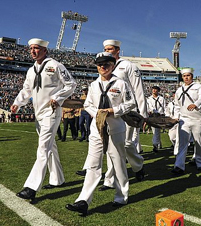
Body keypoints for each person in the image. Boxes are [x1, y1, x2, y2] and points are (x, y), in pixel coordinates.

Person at [66, 52, 136, 216]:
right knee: (93, 164)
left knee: (118, 163)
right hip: (96, 128)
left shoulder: (121, 83)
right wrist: (97, 113)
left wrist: (113, 110)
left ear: (113, 66)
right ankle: (83, 200)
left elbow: (131, 103)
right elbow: (88, 104)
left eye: (106, 64)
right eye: (100, 64)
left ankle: (121, 196)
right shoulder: (93, 85)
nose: (103, 67)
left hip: (115, 128)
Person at [11, 38, 76, 200]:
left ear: (45, 50)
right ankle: (57, 179)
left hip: (51, 112)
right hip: (38, 114)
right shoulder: (31, 70)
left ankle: (31, 187)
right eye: (31, 48)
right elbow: (27, 90)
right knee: (51, 147)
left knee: (43, 148)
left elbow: (71, 84)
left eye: (37, 48)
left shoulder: (55, 65)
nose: (33, 51)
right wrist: (17, 103)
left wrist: (58, 98)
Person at [98, 39, 147, 191]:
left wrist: (143, 115)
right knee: (110, 143)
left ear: (118, 50)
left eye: (110, 49)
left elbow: (138, 90)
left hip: (127, 111)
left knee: (125, 144)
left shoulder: (128, 66)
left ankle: (138, 166)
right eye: (105, 48)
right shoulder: (104, 66)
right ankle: (109, 180)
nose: (108, 51)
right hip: (109, 113)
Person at [172, 68, 201, 174]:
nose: (186, 77)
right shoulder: (179, 90)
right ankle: (179, 165)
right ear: (182, 77)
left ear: (192, 76)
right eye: (184, 76)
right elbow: (177, 105)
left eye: (188, 75)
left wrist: (196, 104)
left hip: (197, 118)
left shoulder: (198, 86)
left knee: (199, 142)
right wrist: (175, 117)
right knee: (182, 143)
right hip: (184, 119)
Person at [147, 85, 166, 152]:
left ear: (158, 91)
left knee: (157, 131)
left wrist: (162, 114)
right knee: (155, 131)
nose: (154, 90)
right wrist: (153, 111)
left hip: (159, 116)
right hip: (153, 116)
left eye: (156, 89)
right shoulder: (149, 99)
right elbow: (150, 107)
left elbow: (163, 107)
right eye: (153, 89)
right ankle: (158, 144)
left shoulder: (161, 98)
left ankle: (155, 144)